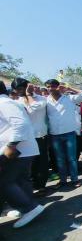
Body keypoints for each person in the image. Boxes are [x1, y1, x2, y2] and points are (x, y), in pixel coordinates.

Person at [0, 81, 45, 228]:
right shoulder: (7, 102)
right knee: (20, 180)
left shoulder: (4, 103)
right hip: (23, 149)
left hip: (17, 150)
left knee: (4, 182)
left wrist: (11, 145)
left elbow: (20, 124)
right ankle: (28, 207)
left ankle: (29, 208)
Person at [45, 79, 82, 188]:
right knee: (60, 159)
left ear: (58, 87)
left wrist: (69, 89)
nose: (50, 89)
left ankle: (74, 179)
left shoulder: (69, 98)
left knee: (72, 158)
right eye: (48, 87)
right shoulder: (45, 100)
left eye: (52, 86)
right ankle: (63, 180)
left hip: (69, 133)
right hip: (55, 135)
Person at [12, 78, 49, 194]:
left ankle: (42, 186)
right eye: (16, 90)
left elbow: (35, 107)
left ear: (27, 87)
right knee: (29, 164)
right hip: (26, 138)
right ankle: (31, 186)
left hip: (40, 136)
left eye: (20, 89)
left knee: (41, 163)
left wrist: (29, 95)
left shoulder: (41, 99)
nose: (18, 92)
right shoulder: (18, 102)